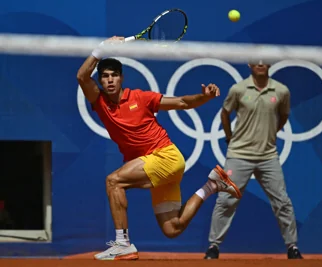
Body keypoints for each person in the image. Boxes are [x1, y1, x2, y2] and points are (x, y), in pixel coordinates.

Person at [76, 36, 242, 261]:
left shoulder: (141, 98)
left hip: (166, 157)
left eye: (114, 75)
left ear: (121, 78)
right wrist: (101, 49)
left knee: (113, 181)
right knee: (173, 228)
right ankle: (212, 185)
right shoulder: (99, 101)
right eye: (105, 76)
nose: (110, 80)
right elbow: (82, 76)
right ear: (101, 81)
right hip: (157, 167)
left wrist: (204, 97)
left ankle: (123, 243)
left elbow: (183, 102)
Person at [204, 61, 303, 260]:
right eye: (256, 60)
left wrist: (271, 134)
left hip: (268, 156)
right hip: (238, 155)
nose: (260, 63)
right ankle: (213, 247)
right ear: (249, 64)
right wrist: (230, 138)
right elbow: (225, 113)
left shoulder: (281, 91)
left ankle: (292, 247)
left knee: (282, 201)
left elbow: (284, 116)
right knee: (225, 200)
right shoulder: (238, 89)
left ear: (269, 64)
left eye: (264, 60)